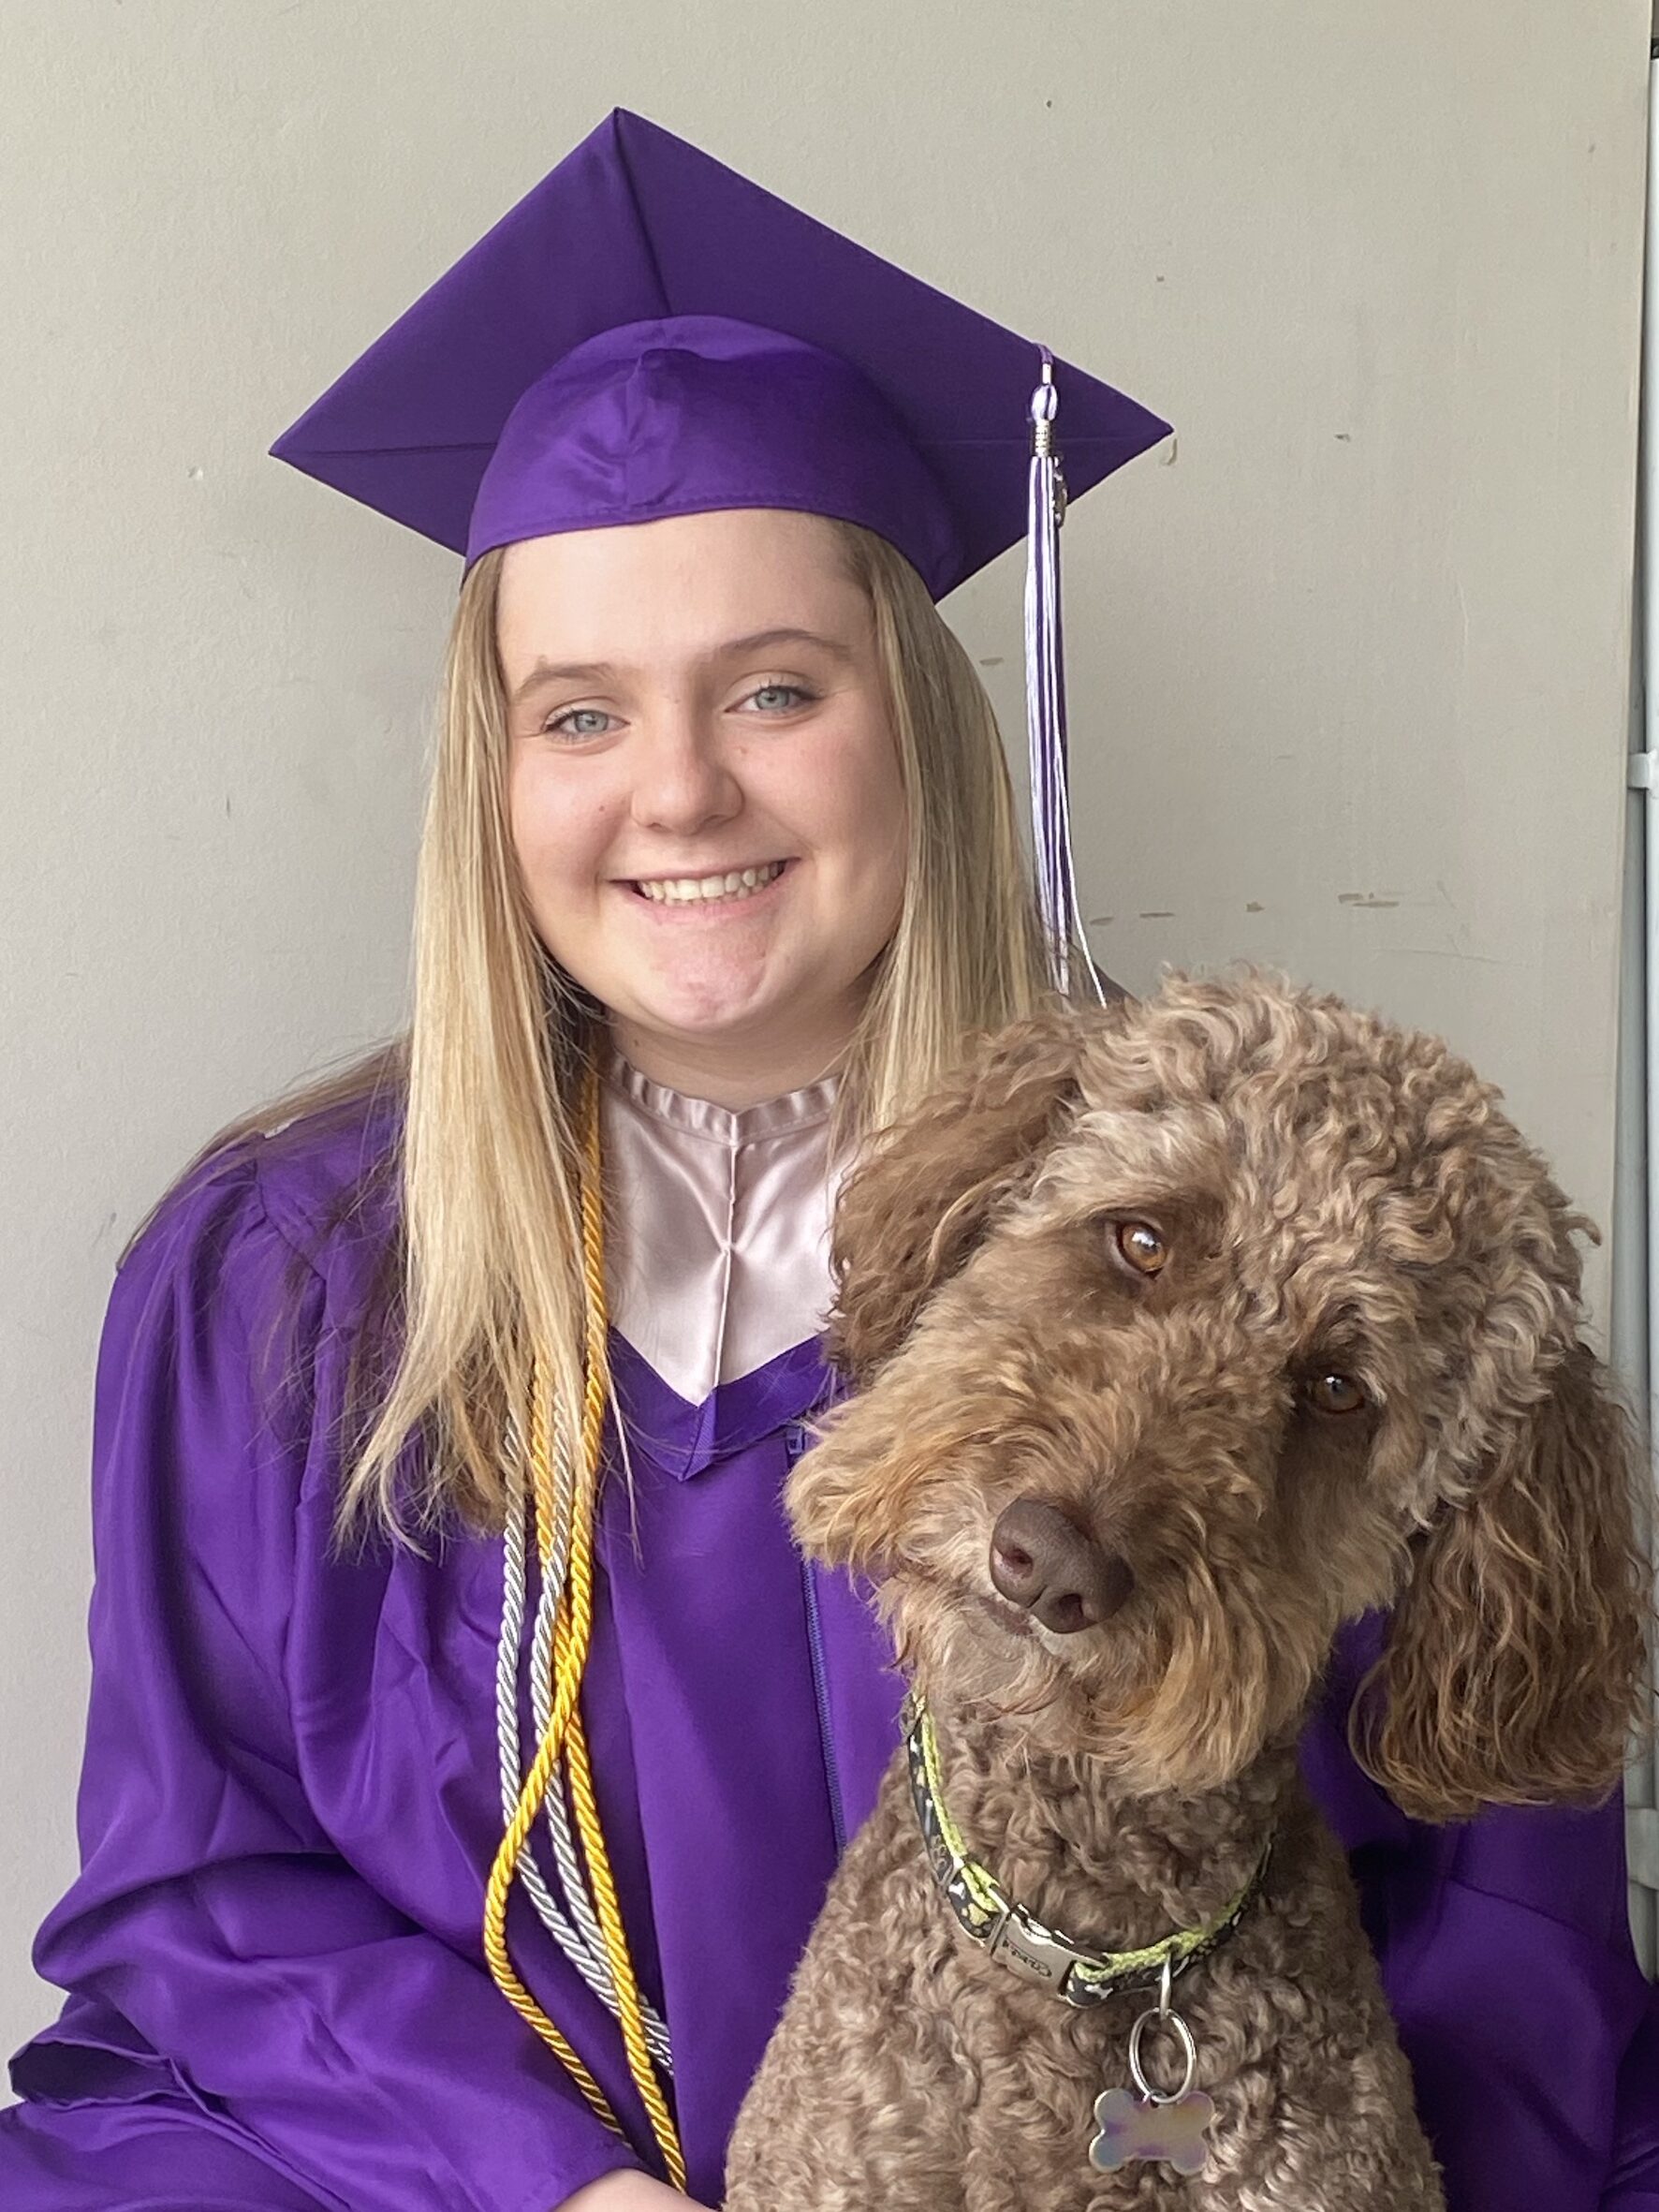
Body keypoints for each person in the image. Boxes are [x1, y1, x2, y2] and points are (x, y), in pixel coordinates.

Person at [2, 105, 1656, 2212]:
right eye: (579, 712)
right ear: (492, 774)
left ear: (919, 716)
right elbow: (203, 1896)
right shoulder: (285, 1270)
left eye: (772, 687)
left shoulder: (1255, 1224)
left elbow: (1504, 1909)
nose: (678, 790)